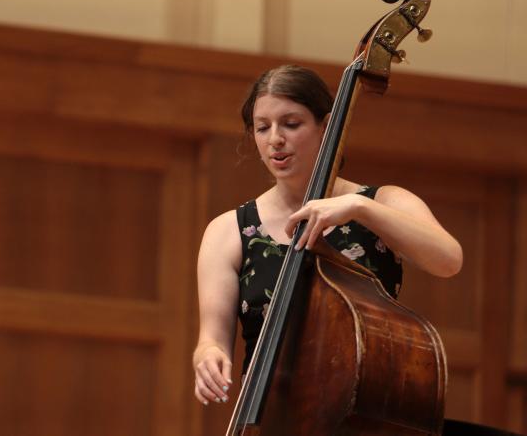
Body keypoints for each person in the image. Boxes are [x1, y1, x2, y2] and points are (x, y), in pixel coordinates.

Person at [192, 65, 463, 406]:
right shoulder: (228, 230)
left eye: (291, 124)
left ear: (327, 126)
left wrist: (359, 208)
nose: (275, 138)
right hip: (272, 414)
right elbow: (211, 338)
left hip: (365, 407)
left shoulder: (382, 203)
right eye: (262, 128)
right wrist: (208, 356)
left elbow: (448, 260)